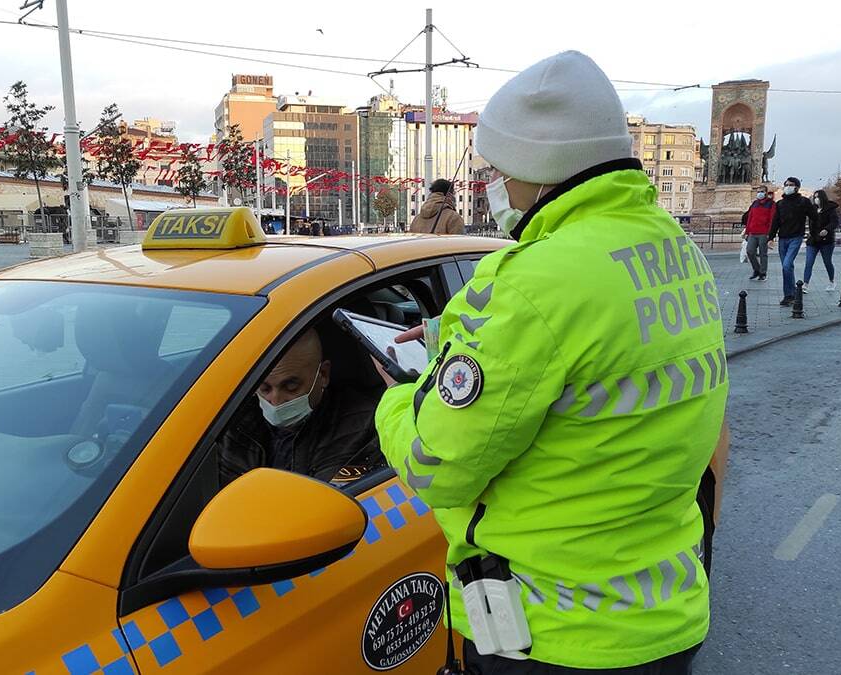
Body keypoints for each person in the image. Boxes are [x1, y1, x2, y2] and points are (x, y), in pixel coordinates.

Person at [374, 51, 727, 674]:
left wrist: (399, 396)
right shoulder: (674, 250)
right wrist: (454, 340)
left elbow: (438, 467)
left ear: (540, 167)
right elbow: (596, 372)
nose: (496, 185)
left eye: (500, 168)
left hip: (555, 632)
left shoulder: (533, 282)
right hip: (662, 613)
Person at [215, 328, 382, 486]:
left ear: (323, 375)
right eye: (265, 388)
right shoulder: (236, 417)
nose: (275, 400)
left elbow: (328, 501)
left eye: (291, 387)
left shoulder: (360, 425)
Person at [768, 176, 816, 306]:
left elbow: (814, 217)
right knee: (787, 267)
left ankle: (789, 294)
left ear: (796, 187)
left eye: (790, 185)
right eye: (786, 184)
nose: (787, 187)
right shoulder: (780, 204)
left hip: (796, 236)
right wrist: (771, 237)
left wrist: (814, 231)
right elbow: (775, 222)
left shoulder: (803, 202)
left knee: (786, 265)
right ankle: (791, 293)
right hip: (783, 238)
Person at [804, 190, 838, 292]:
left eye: (818, 197)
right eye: (814, 197)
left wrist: (827, 229)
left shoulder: (830, 209)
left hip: (826, 241)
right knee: (809, 262)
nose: (816, 199)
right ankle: (805, 284)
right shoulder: (813, 209)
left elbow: (834, 222)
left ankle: (832, 280)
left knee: (827, 261)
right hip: (813, 240)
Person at [741, 187, 775, 281]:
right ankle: (757, 269)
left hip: (764, 232)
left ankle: (763, 273)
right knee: (750, 251)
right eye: (758, 191)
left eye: (762, 192)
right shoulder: (755, 203)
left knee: (763, 253)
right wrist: (747, 232)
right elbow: (750, 218)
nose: (760, 193)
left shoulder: (771, 204)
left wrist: (770, 233)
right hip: (753, 231)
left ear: (766, 193)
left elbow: (772, 218)